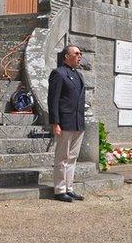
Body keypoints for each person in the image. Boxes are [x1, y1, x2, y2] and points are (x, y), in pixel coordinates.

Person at [48, 45, 86, 202]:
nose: (79, 56)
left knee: (72, 157)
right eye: (76, 53)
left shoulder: (78, 75)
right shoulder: (59, 73)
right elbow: (53, 99)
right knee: (62, 157)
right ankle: (60, 189)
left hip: (77, 122)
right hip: (65, 121)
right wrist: (55, 122)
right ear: (66, 56)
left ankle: (69, 188)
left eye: (80, 54)